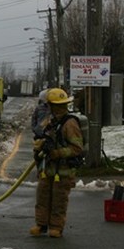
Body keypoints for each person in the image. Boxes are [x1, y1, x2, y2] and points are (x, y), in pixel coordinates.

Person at [30, 88, 83, 238]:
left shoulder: (70, 124)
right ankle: (41, 225)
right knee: (42, 197)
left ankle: (56, 227)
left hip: (63, 170)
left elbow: (77, 148)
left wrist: (57, 153)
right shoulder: (51, 121)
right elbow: (42, 135)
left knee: (58, 200)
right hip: (47, 169)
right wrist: (40, 146)